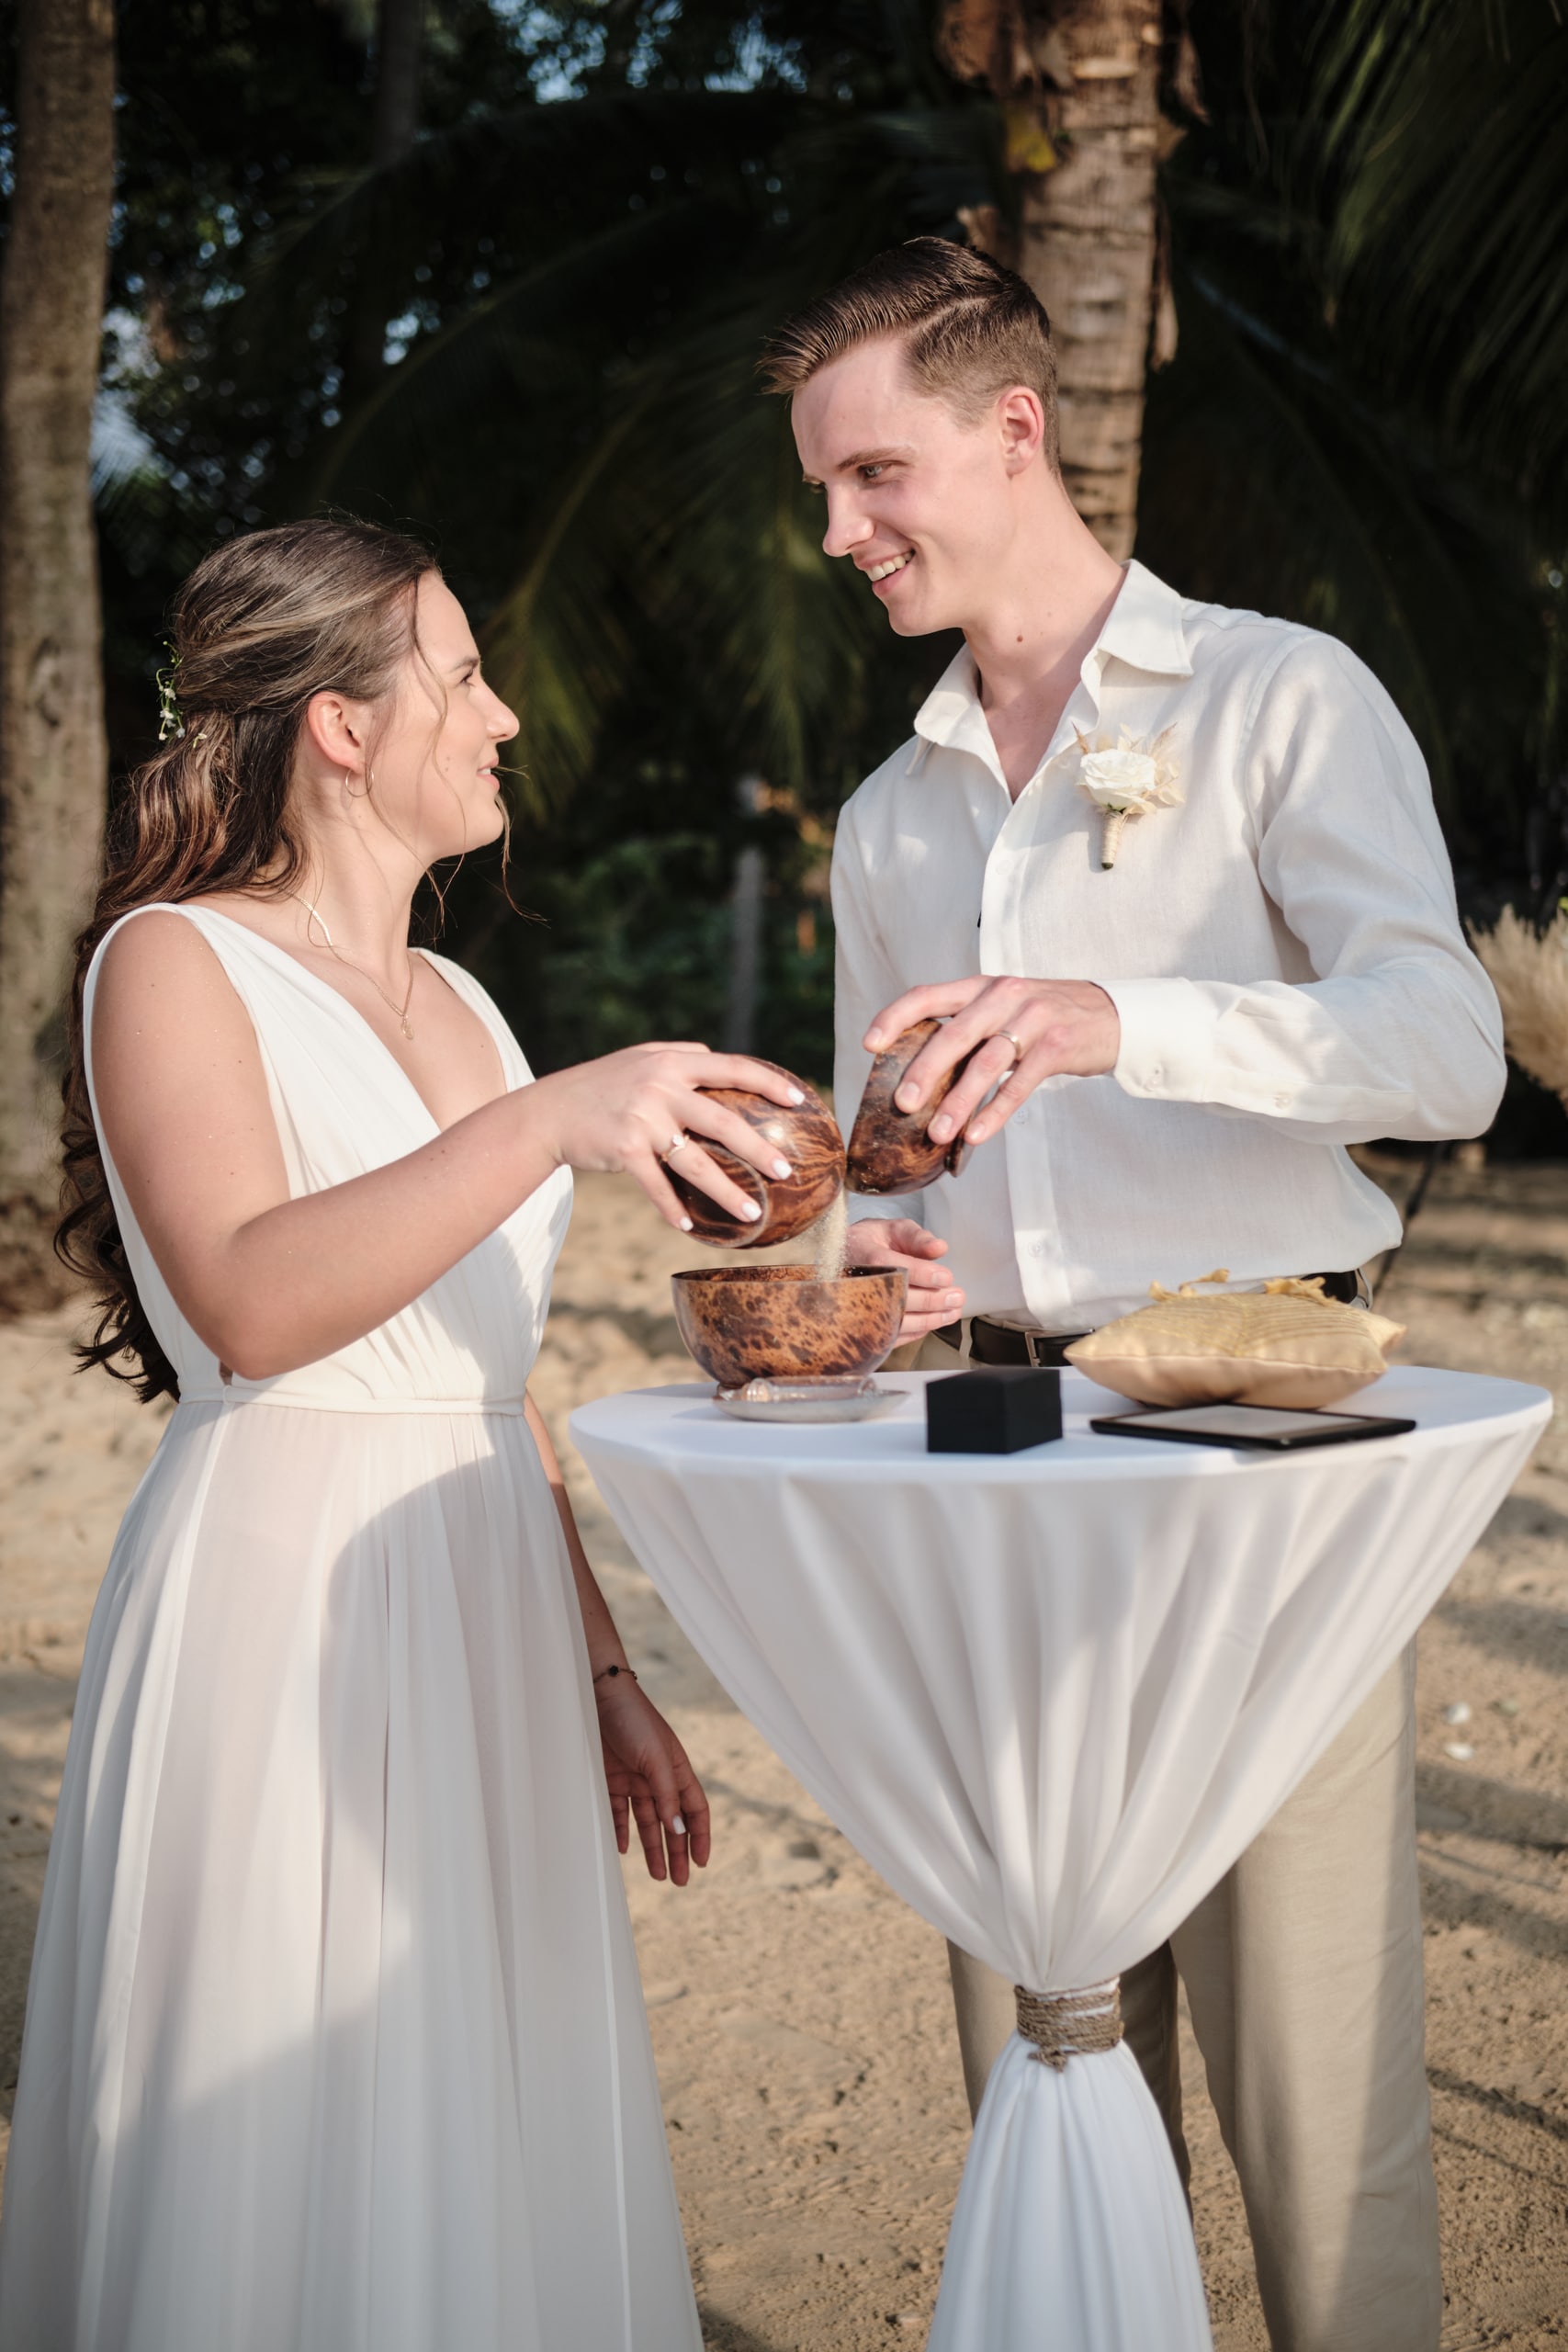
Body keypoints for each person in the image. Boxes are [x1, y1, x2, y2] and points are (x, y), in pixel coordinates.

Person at [761, 239, 1506, 2351]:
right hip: (980, 1454)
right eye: (823, 493)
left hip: (1258, 1442)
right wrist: (866, 1253)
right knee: (1040, 2044)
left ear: (1016, 430)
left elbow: (1439, 1049)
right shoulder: (886, 811)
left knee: (1309, 2071)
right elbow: (873, 1141)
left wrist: (1119, 1016)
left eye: (872, 474)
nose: (840, 533)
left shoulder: (1280, 695)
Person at [0, 517, 804, 2352]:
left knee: (478, 2099)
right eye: (460, 670)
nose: (505, 714)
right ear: (341, 726)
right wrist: (543, 1128)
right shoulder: (172, 962)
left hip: (487, 1619)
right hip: (285, 1617)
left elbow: (482, 1371)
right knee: (291, 2109)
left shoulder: (470, 1006)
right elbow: (252, 1302)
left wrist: (596, 1663)